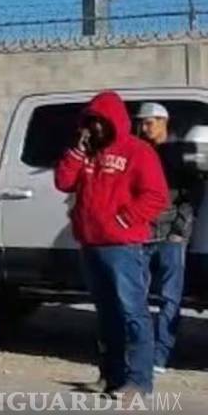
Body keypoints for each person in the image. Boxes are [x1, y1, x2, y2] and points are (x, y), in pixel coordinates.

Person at [55, 91, 167, 396]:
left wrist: (123, 219)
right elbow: (63, 182)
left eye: (100, 123)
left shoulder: (138, 151)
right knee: (107, 316)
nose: (95, 129)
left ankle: (140, 381)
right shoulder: (87, 152)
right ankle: (111, 375)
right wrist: (77, 152)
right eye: (90, 123)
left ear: (113, 122)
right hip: (91, 246)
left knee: (132, 313)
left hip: (123, 248)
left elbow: (156, 195)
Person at [135, 102, 197, 374]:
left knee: (170, 298)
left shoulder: (177, 153)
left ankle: (160, 356)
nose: (144, 127)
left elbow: (191, 196)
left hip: (170, 234)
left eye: (149, 122)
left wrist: (178, 231)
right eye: (142, 122)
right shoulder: (139, 152)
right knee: (138, 296)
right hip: (142, 233)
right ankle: (142, 352)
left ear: (164, 122)